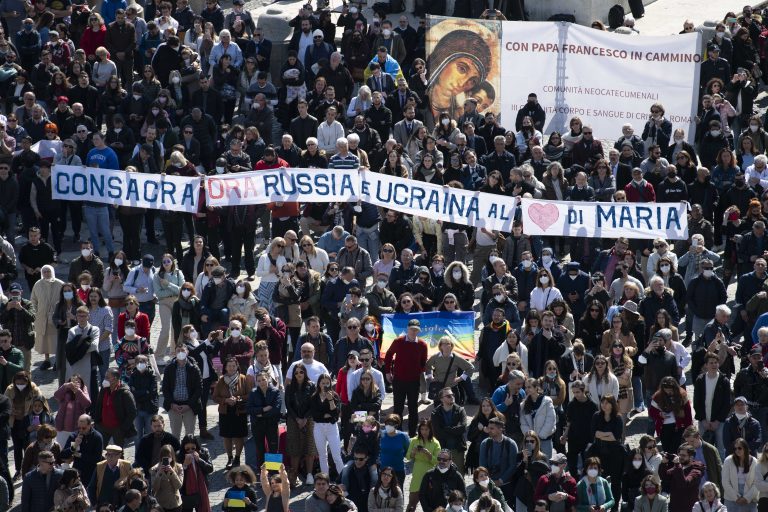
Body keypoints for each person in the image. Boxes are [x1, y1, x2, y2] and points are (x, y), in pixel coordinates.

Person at [384, 319, 427, 437]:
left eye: (416, 330)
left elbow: (423, 362)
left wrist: (418, 371)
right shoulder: (398, 341)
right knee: (398, 408)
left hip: (414, 381)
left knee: (413, 408)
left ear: (419, 331)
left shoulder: (422, 344)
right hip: (399, 380)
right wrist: (388, 372)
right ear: (407, 328)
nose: (413, 331)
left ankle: (412, 434)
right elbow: (388, 355)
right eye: (412, 329)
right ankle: (397, 433)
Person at [213, 357, 249, 469]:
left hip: (239, 411)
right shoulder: (221, 380)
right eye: (229, 366)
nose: (232, 368)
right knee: (227, 436)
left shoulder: (243, 378)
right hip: (225, 411)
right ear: (225, 367)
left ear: (237, 366)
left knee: (239, 436)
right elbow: (215, 397)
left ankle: (237, 458)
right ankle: (230, 458)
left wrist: (237, 398)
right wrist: (226, 400)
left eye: (234, 366)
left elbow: (249, 394)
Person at [161, 345, 202, 439]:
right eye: (178, 350)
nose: (180, 352)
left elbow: (199, 388)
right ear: (175, 353)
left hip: (189, 406)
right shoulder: (169, 368)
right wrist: (172, 404)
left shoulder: (194, 368)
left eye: (182, 350)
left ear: (187, 352)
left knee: (190, 435)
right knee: (175, 435)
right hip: (173, 406)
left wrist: (189, 405)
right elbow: (165, 388)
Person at [649, 376, 693, 455]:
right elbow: (652, 412)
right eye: (666, 390)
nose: (668, 392)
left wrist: (689, 429)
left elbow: (688, 413)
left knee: (675, 450)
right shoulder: (658, 396)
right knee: (667, 450)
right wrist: (660, 414)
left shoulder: (682, 395)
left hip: (679, 427)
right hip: (664, 428)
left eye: (670, 390)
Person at [92, 368, 137, 445]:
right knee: (101, 449)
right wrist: (97, 422)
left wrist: (122, 429)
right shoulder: (104, 389)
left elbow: (132, 413)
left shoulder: (125, 393)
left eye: (107, 377)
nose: (105, 379)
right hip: (103, 427)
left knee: (117, 451)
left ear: (115, 379)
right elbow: (99, 405)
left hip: (118, 429)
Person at [247, 371, 281, 468]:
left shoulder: (275, 391)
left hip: (271, 424)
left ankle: (273, 471)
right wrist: (263, 409)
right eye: (259, 381)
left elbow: (276, 409)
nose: (261, 382)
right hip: (257, 425)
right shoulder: (253, 392)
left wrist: (261, 414)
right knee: (260, 448)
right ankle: (262, 471)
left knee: (273, 448)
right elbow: (249, 409)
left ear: (268, 379)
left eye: (263, 379)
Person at [431, 386, 468, 473]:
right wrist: (455, 430)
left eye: (452, 395)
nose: (452, 397)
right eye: (448, 396)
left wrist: (446, 429)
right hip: (442, 449)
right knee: (443, 474)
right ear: (441, 399)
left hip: (457, 448)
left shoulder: (460, 410)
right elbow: (438, 433)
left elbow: (463, 428)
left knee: (459, 474)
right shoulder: (435, 413)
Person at [405, 419, 440, 511]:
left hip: (430, 475)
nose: (424, 432)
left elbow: (437, 461)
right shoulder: (414, 440)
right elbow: (408, 456)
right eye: (422, 429)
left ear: (430, 430)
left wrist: (428, 454)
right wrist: (413, 452)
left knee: (430, 504)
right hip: (417, 474)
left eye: (426, 429)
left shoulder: (435, 443)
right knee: (412, 503)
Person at [659, 443, 704, 512]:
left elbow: (684, 484)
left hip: (690, 508)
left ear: (691, 457)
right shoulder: (678, 467)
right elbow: (664, 477)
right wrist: (663, 463)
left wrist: (677, 465)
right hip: (675, 507)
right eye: (679, 455)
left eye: (683, 455)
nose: (680, 457)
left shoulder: (696, 470)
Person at [521, 377, 557, 457]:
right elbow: (523, 423)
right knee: (531, 461)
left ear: (536, 387)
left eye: (529, 387)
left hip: (545, 438)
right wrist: (531, 436)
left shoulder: (546, 401)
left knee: (546, 461)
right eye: (525, 387)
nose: (527, 389)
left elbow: (551, 419)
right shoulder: (523, 404)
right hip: (531, 441)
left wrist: (540, 435)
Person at [723, 438, 759, 512]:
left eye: (739, 448)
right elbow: (725, 482)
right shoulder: (728, 461)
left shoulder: (755, 462)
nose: (737, 450)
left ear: (745, 448)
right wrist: (736, 498)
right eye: (735, 448)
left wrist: (747, 498)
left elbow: (757, 483)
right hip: (731, 499)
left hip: (750, 500)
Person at [150, 444, 183, 512]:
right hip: (161, 504)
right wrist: (159, 473)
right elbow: (155, 488)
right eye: (164, 457)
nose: (167, 459)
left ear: (172, 456)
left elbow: (178, 486)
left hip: (175, 503)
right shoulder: (154, 469)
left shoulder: (179, 467)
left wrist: (172, 472)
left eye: (169, 457)